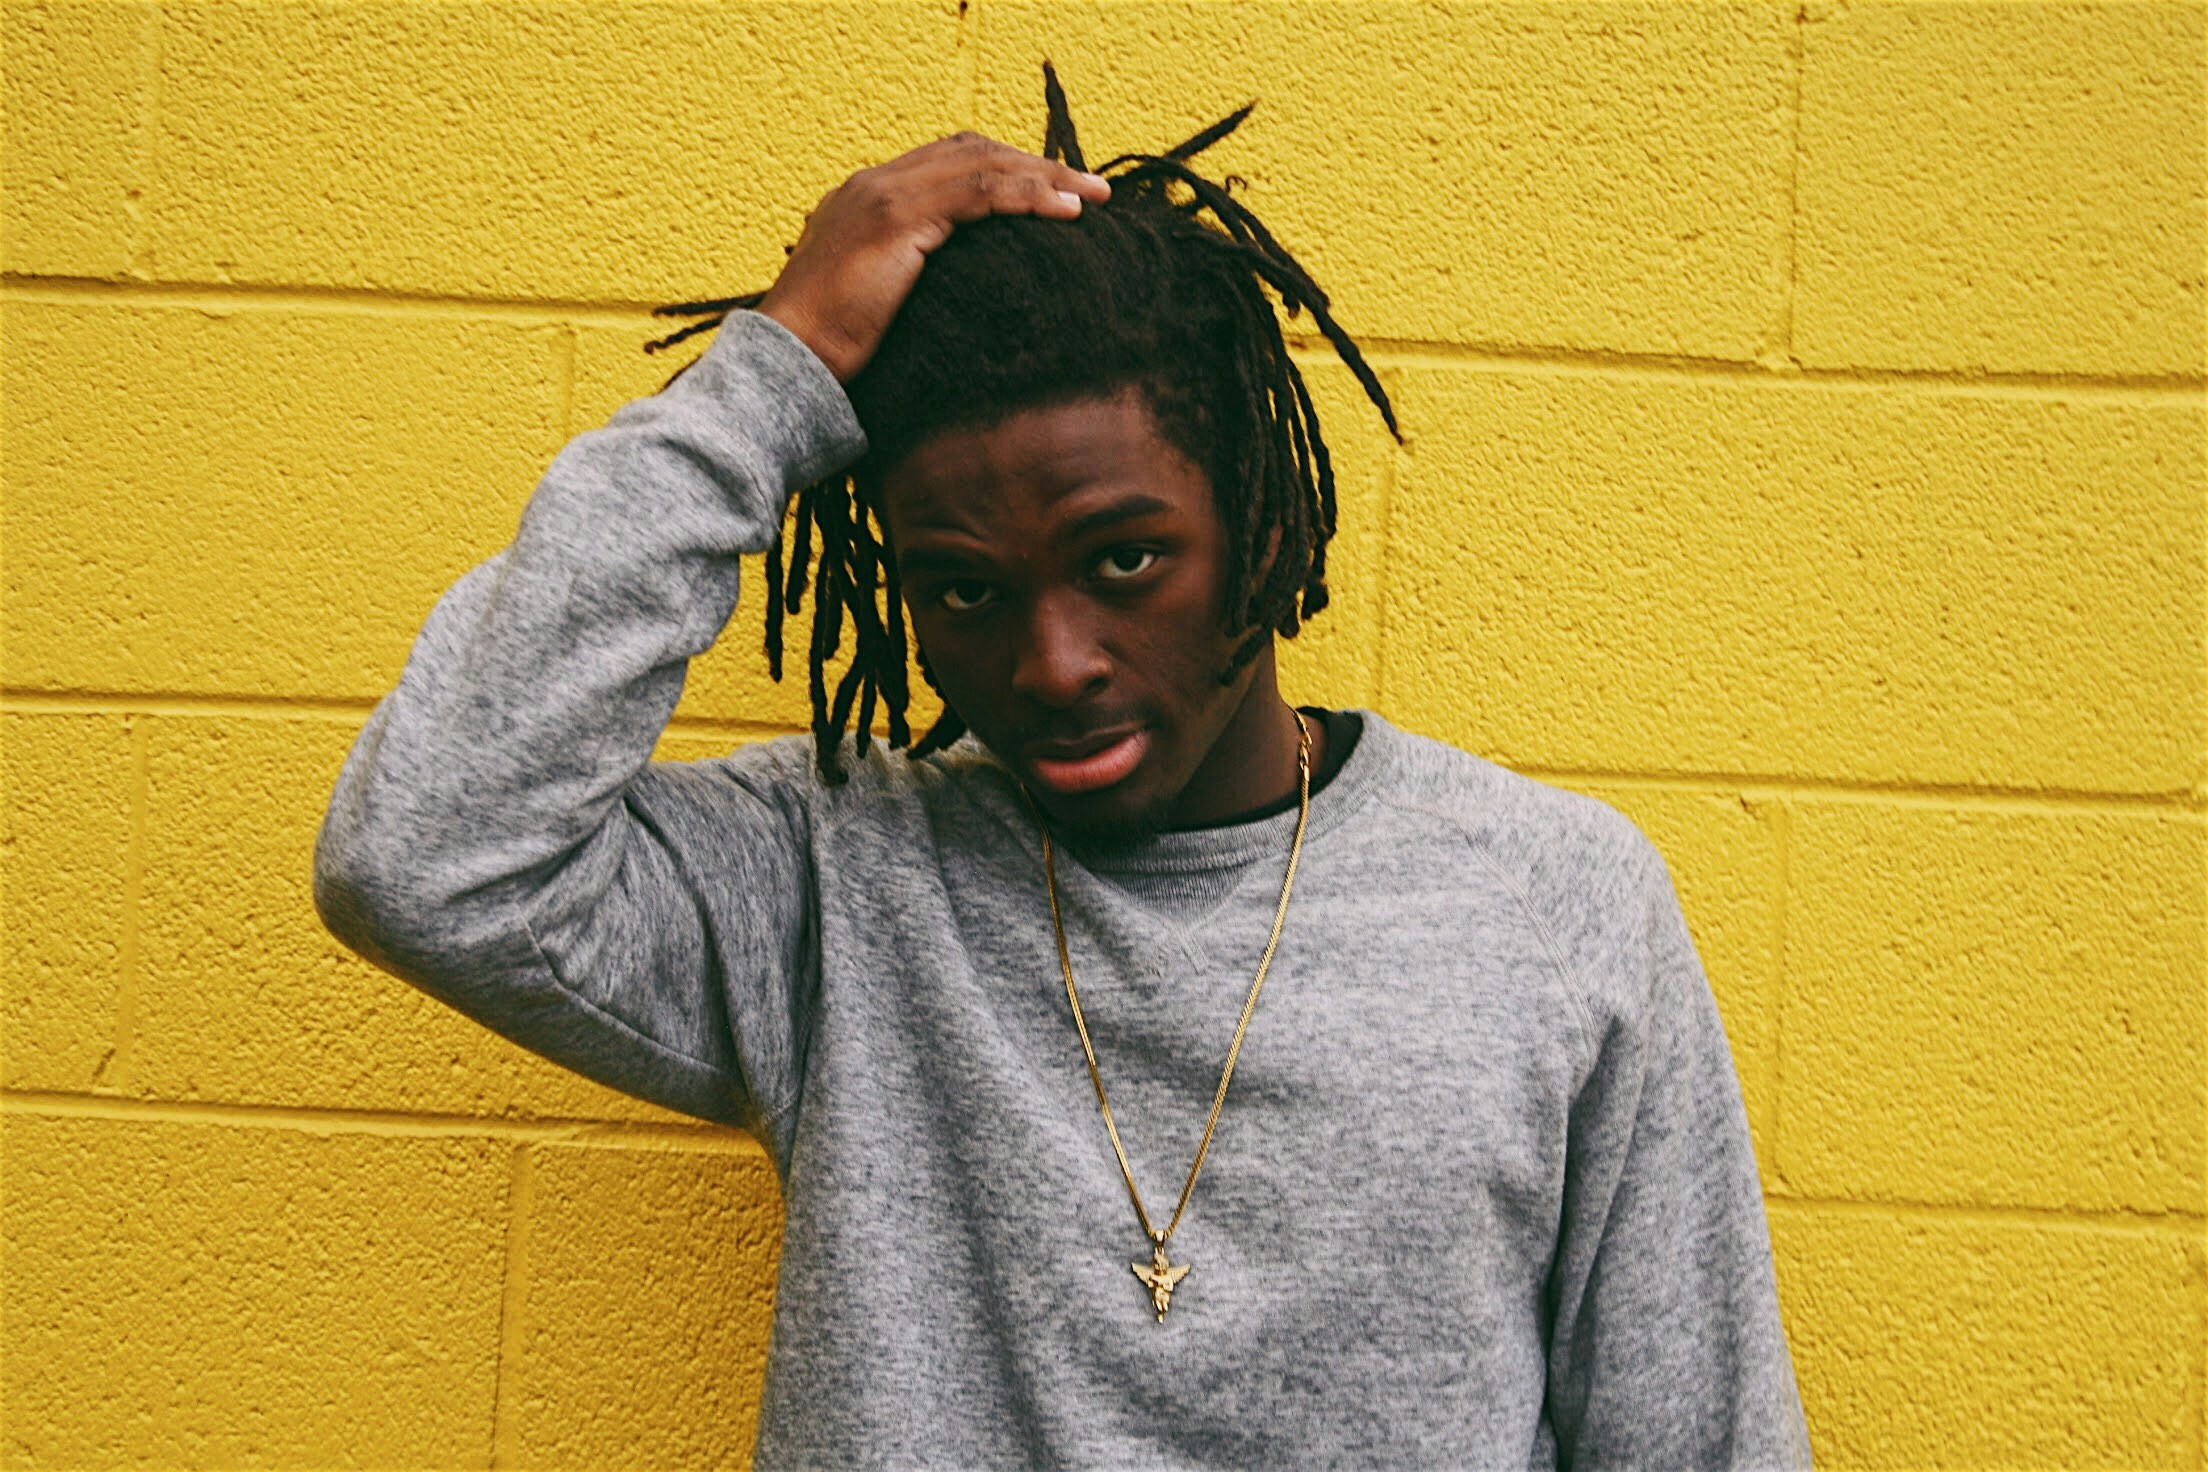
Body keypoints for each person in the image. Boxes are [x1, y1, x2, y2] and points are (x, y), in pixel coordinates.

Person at [315, 67, 1812, 1469]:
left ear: (1269, 530)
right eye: (965, 589)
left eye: (1125, 559)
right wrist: (767, 383)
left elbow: (1704, 1438)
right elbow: (428, 855)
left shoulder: (1556, 904)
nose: (1053, 662)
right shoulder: (836, 878)